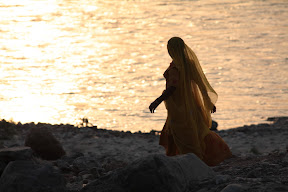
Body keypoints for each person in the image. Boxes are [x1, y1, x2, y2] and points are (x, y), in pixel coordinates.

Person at [149, 37, 232, 166]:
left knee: (181, 133)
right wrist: (207, 101)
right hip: (193, 105)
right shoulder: (188, 64)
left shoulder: (175, 68)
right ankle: (191, 159)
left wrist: (157, 101)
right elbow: (201, 84)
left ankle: (192, 162)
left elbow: (172, 88)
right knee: (197, 131)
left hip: (179, 107)